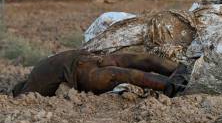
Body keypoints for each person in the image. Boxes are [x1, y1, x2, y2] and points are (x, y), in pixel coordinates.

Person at [12, 50, 189, 97]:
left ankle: (172, 84)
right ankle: (179, 70)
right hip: (91, 58)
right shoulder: (36, 72)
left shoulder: (29, 89)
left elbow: (22, 98)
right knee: (141, 60)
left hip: (83, 69)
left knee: (124, 74)